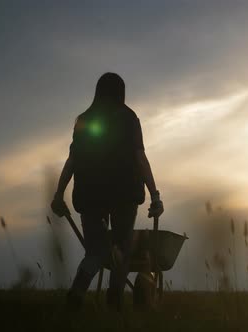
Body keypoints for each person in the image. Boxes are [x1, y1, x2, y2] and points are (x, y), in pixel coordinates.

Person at [51, 72, 164, 311]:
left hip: (90, 195)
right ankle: (114, 302)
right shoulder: (128, 117)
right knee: (122, 248)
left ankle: (77, 293)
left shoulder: (84, 119)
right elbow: (139, 157)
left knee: (95, 250)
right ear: (121, 92)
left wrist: (58, 194)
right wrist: (154, 195)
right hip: (124, 194)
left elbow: (72, 160)